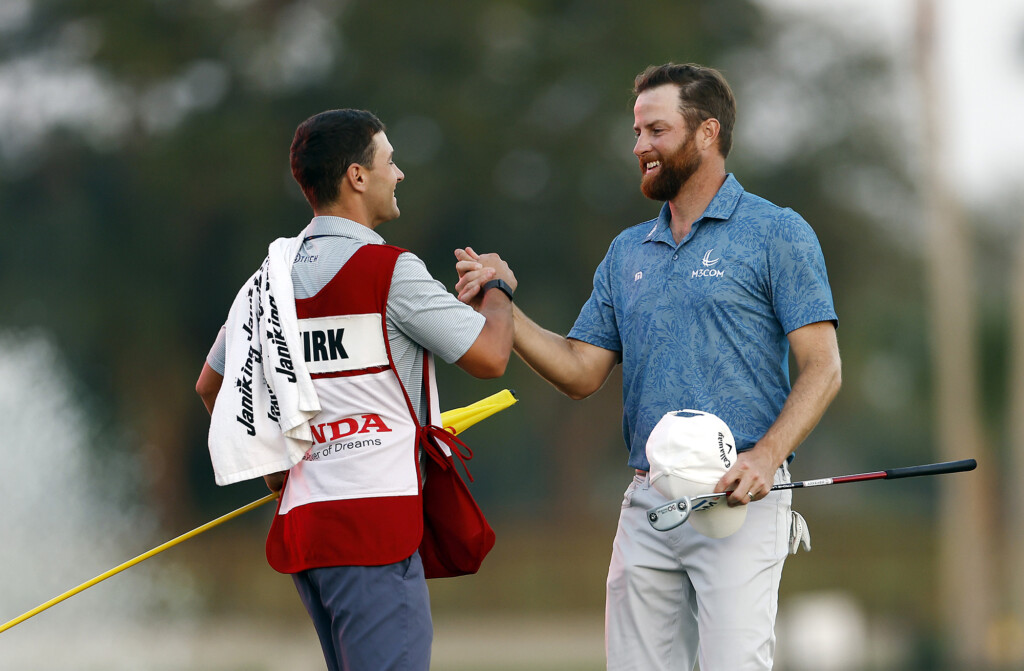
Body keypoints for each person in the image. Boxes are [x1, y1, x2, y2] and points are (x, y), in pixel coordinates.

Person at [455, 63, 842, 670]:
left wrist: (768, 457)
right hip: (649, 499)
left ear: (708, 132)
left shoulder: (776, 232)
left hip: (738, 498)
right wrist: (505, 301)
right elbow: (581, 371)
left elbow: (824, 368)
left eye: (656, 130)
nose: (640, 146)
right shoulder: (626, 251)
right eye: (637, 132)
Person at [195, 108, 516, 671]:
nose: (400, 173)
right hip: (375, 529)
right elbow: (491, 357)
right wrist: (498, 288)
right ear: (357, 177)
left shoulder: (265, 281)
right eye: (390, 161)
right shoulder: (391, 269)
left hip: (308, 534)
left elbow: (210, 386)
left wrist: (274, 463)